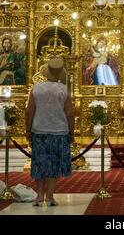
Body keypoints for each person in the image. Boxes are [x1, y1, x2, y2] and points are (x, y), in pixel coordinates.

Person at [25, 57, 75, 206]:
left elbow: (29, 111)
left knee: (39, 163)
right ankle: (50, 196)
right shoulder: (63, 89)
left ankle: (39, 195)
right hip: (59, 131)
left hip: (39, 130)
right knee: (54, 164)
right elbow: (70, 113)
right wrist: (72, 133)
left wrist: (27, 130)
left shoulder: (36, 88)